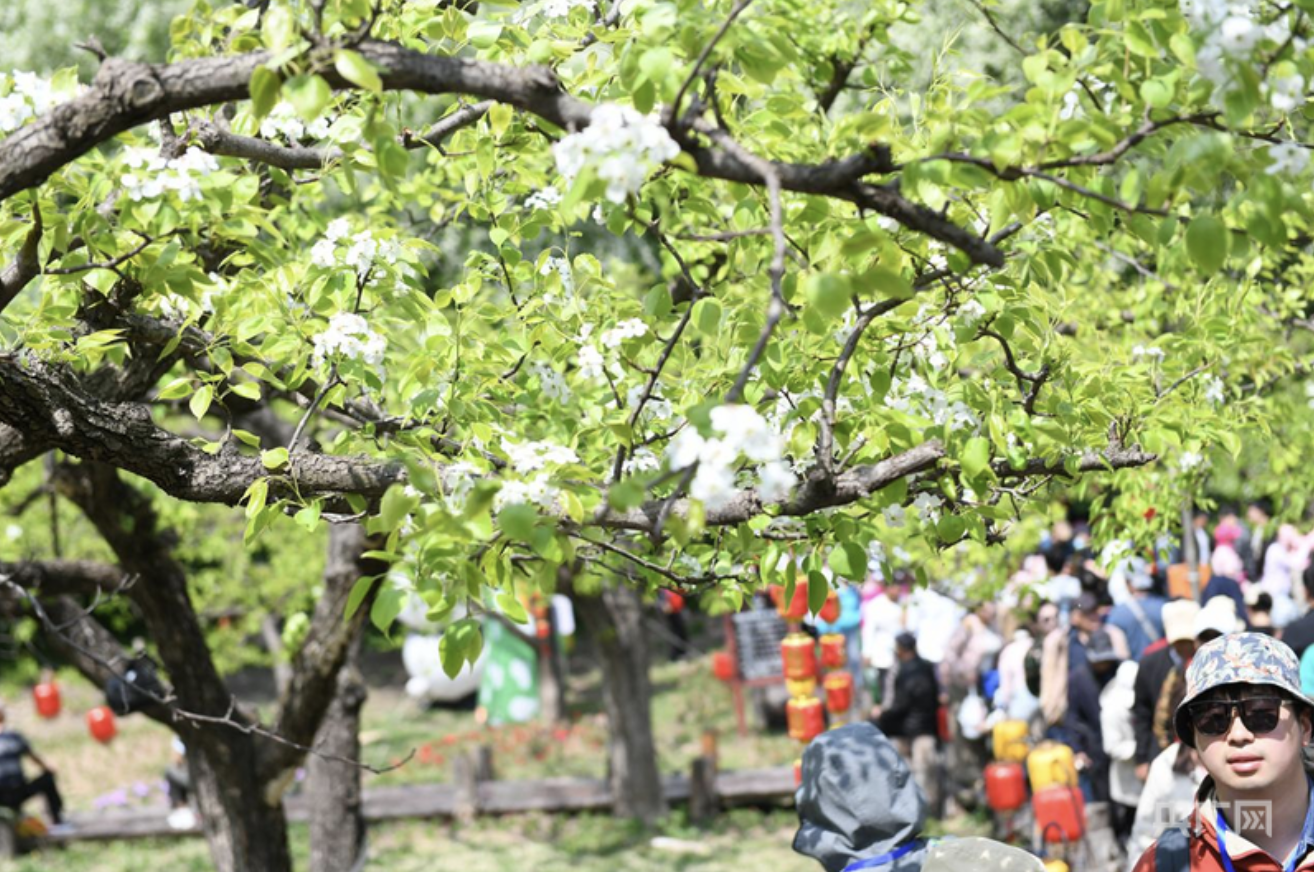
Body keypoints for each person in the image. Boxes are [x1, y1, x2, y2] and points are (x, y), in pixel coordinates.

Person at [1131, 632, 1314, 872]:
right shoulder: (1165, 863)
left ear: (1305, 727)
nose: (1238, 735)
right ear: (1194, 736)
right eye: (1213, 718)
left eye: (1261, 713)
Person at [1132, 599, 1200, 780]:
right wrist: (1141, 758)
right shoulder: (1150, 664)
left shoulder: (1206, 662)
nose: (1184, 647)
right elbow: (1142, 712)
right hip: (1162, 750)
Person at [876, 632, 942, 815]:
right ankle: (930, 811)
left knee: (914, 774)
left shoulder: (902, 671)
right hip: (926, 727)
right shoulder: (928, 667)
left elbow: (900, 704)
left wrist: (882, 718)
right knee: (926, 774)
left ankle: (917, 813)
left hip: (907, 729)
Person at [0, 702, 65, 830]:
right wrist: (48, 768)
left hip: (16, 790)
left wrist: (48, 768)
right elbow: (34, 758)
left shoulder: (14, 737)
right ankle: (57, 820)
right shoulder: (15, 737)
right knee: (48, 778)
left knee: (47, 779)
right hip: (8, 792)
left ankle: (57, 821)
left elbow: (33, 757)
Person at [1104, 659, 1141, 844]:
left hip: (1142, 775)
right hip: (1125, 775)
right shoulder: (1111, 711)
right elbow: (1112, 747)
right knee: (1128, 819)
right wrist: (1139, 748)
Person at [1107, 558, 1167, 661]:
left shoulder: (1117, 614)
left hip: (1136, 671)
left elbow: (1121, 653)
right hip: (1164, 669)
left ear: (1128, 583)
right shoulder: (1164, 606)